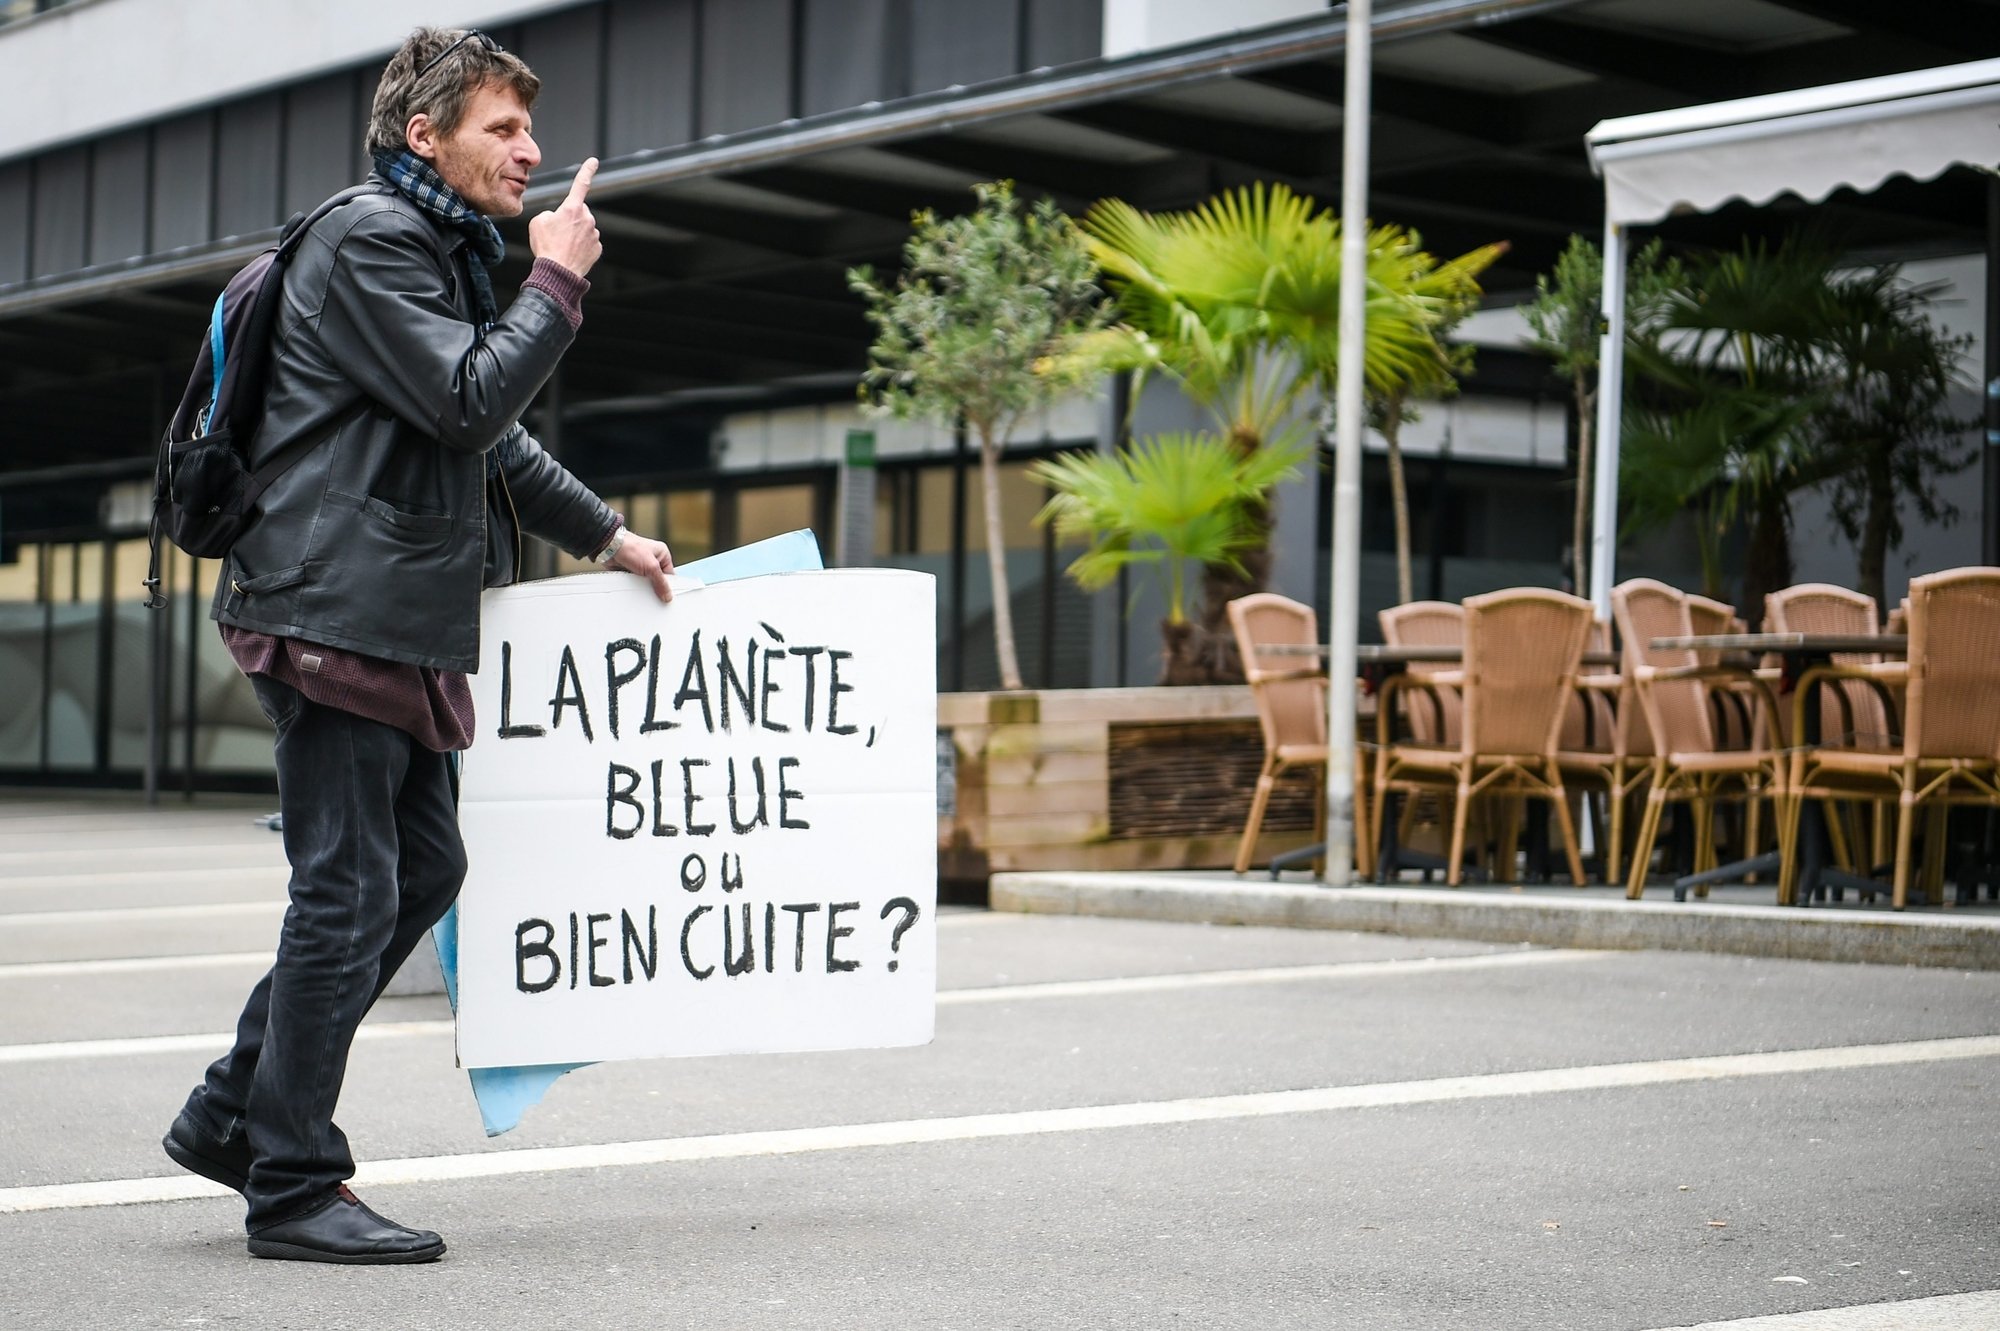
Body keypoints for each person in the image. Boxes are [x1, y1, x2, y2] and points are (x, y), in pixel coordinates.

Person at [160, 26, 674, 1265]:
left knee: (422, 868)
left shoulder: (427, 247)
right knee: (345, 893)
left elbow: (481, 441)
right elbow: (469, 396)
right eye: (502, 128)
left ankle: (235, 1107)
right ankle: (290, 1179)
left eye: (527, 128)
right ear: (421, 135)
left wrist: (605, 535)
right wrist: (555, 281)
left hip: (378, 616)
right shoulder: (372, 239)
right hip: (332, 609)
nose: (530, 150)